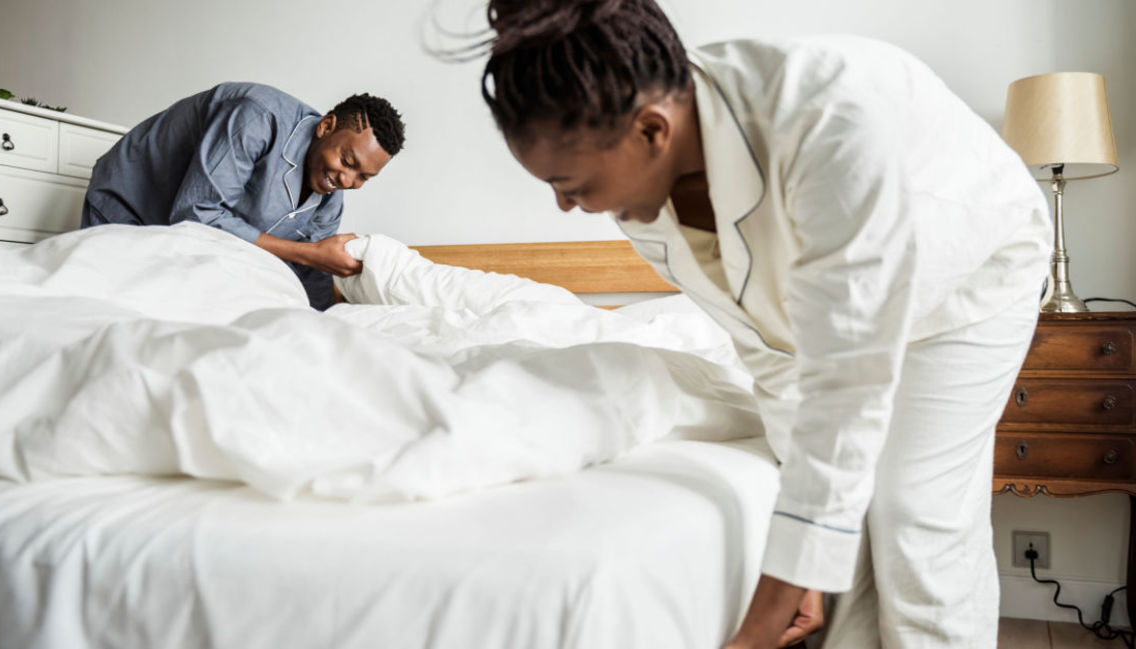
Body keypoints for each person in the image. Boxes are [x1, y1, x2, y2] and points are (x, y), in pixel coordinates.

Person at [474, 1, 1052, 647]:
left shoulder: (826, 120)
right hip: (848, 322)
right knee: (848, 556)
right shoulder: (643, 198)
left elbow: (846, 383)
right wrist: (803, 558)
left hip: (970, 285)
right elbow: (773, 350)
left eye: (569, 183)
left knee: (916, 514)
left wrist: (757, 629)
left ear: (651, 131)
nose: (564, 205)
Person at [81, 83, 406, 310]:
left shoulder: (329, 198)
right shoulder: (256, 117)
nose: (348, 180)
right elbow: (196, 214)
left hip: (184, 243)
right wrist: (307, 253)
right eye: (347, 161)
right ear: (326, 126)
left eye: (364, 177)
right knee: (106, 308)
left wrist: (322, 323)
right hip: (131, 204)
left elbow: (313, 273)